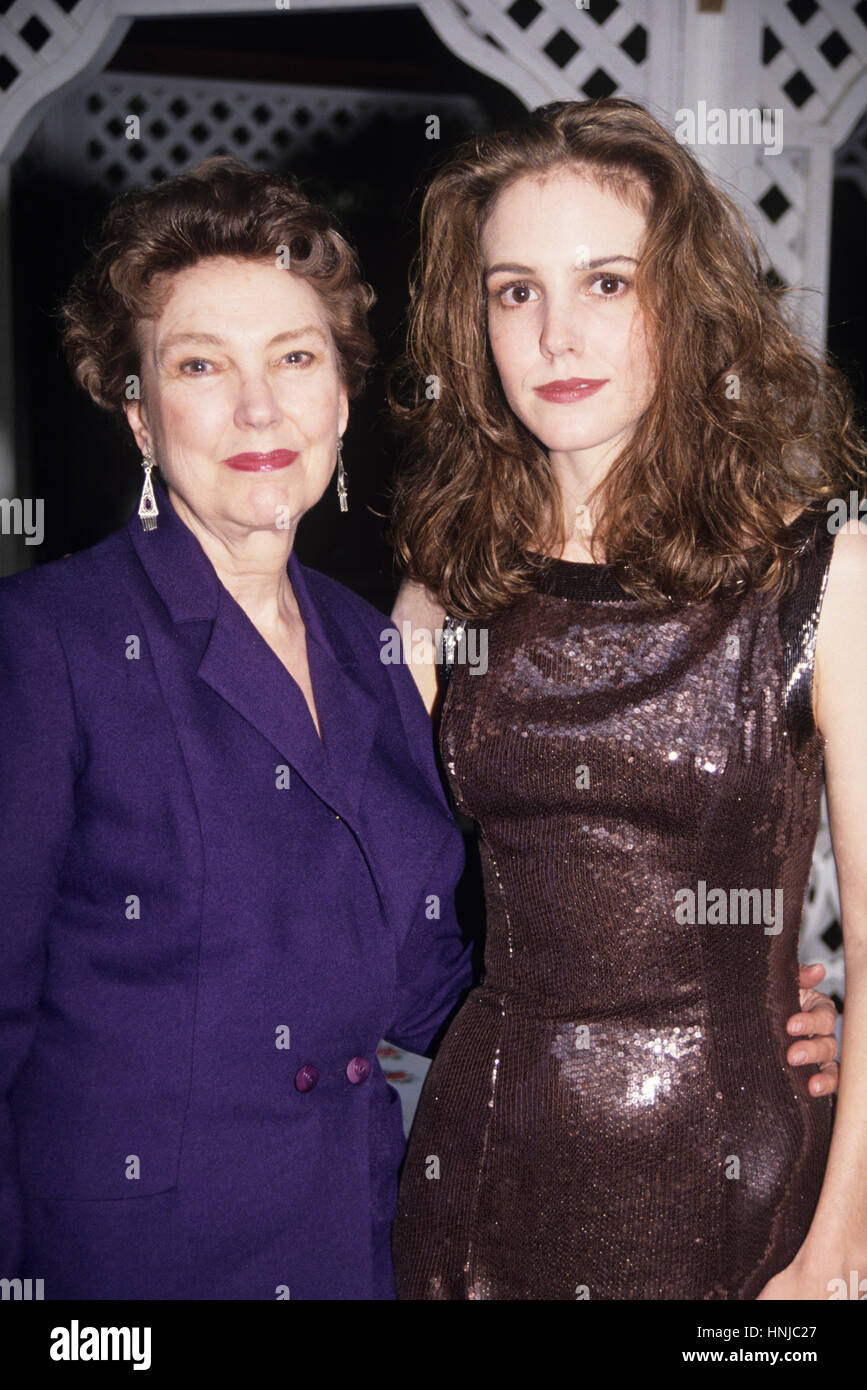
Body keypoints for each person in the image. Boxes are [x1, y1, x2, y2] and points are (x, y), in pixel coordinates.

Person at [388, 98, 864, 1299]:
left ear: (683, 300)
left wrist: (836, 1247)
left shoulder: (824, 578)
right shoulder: (442, 599)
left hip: (739, 1194)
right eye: (514, 291)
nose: (556, 334)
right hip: (485, 1171)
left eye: (607, 281)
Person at [0, 156, 474, 1300]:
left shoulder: (374, 652)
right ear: (138, 411)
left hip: (353, 1251)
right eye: (202, 366)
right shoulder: (46, 642)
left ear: (344, 398)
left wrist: (712, 992)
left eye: (295, 359)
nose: (258, 411)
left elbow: (433, 992)